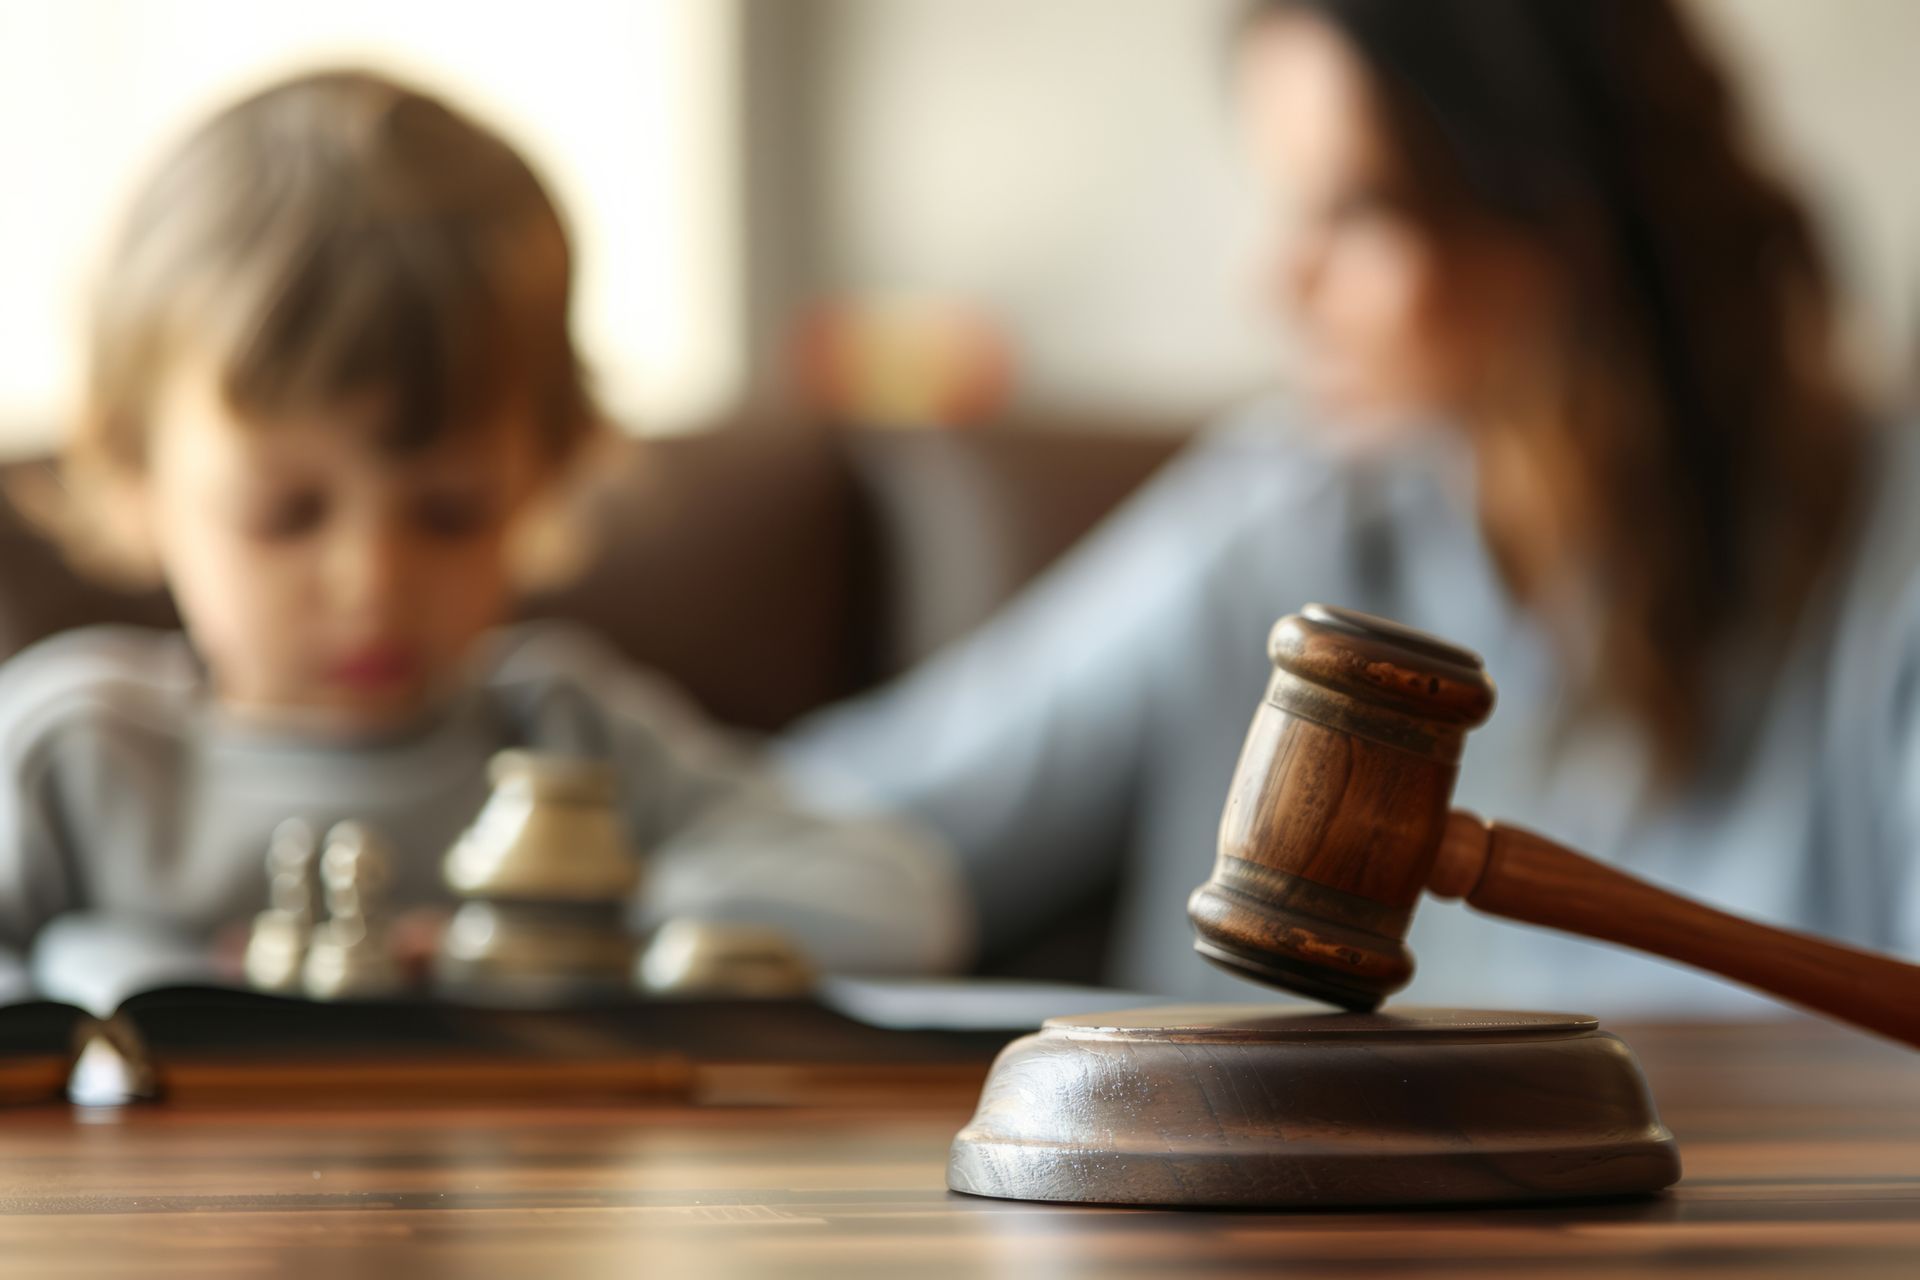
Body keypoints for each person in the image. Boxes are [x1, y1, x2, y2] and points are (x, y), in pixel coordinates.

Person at [781, 0, 1920, 1013]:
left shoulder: (1886, 555)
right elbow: (858, 822)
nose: (1276, 282)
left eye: (1358, 211)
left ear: (1565, 208)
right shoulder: (1278, 518)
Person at [0, 70, 969, 1004]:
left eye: (451, 511)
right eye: (286, 514)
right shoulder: (73, 756)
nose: (371, 582)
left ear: (540, 480)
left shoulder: (566, 735)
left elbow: (898, 898)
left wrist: (582, 930)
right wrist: (94, 964)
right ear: (133, 475)